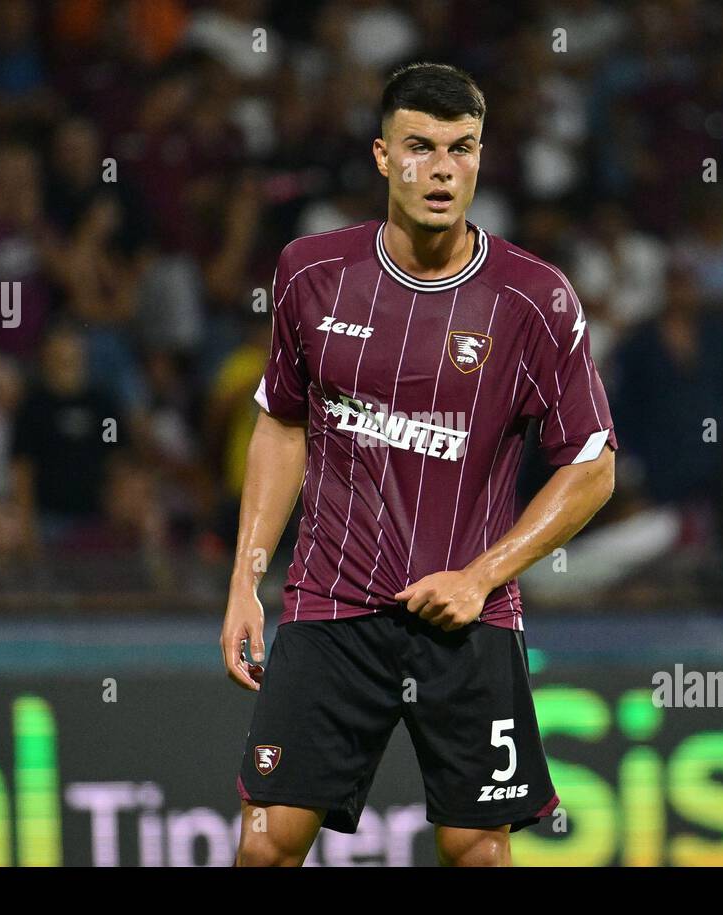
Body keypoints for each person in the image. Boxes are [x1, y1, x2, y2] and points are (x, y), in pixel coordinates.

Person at [221, 63, 617, 867]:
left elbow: (592, 464)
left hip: (466, 617)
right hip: (330, 602)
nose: (441, 169)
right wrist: (245, 582)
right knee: (265, 846)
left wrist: (481, 576)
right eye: (420, 147)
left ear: (480, 158)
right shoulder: (311, 273)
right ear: (380, 156)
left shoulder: (533, 301)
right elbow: (281, 426)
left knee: (477, 849)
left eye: (461, 149)